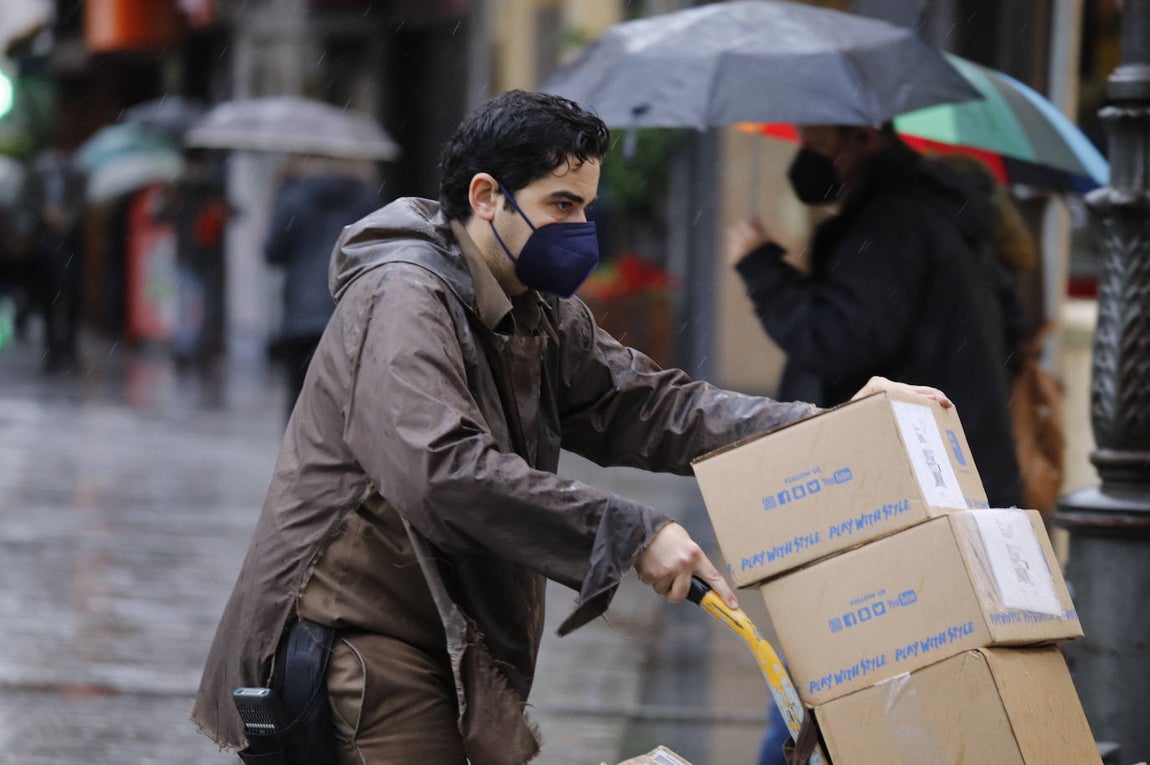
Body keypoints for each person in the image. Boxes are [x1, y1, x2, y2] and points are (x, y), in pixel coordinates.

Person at [192, 91, 950, 765]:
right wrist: (628, 531)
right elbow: (441, 470)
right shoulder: (404, 297)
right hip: (361, 637)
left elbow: (652, 406)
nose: (581, 228)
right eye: (561, 204)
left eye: (587, 206)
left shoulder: (536, 309)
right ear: (487, 197)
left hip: (439, 633)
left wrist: (828, 424)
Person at [727, 124, 1023, 509]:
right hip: (951, 463)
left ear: (863, 136)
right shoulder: (936, 210)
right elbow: (1014, 326)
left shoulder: (894, 222)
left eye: (816, 141)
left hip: (911, 476)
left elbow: (835, 340)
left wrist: (760, 265)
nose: (807, 154)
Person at [264, 156, 380, 419]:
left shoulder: (293, 195)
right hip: (347, 311)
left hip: (300, 315)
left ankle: (296, 458)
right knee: (343, 402)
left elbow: (272, 252)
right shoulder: (363, 197)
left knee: (298, 399)